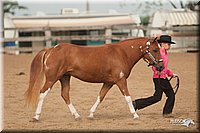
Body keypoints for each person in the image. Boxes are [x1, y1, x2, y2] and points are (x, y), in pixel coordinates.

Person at [132, 35, 178, 117]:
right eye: (168, 44)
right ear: (162, 44)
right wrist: (157, 71)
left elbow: (164, 68)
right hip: (159, 78)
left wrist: (171, 74)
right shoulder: (159, 53)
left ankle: (137, 104)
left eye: (170, 44)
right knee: (161, 97)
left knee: (165, 96)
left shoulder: (165, 53)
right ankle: (137, 104)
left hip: (163, 78)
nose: (169, 46)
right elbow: (154, 65)